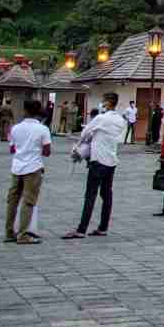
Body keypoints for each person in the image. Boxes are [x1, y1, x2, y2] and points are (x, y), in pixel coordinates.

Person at [63, 92, 127, 239]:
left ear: (107, 103)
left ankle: (81, 229)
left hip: (98, 160)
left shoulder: (100, 118)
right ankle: (103, 227)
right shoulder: (120, 120)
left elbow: (85, 133)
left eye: (103, 101)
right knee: (106, 194)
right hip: (111, 160)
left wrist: (80, 146)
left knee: (90, 195)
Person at [4, 99, 52, 244]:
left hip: (17, 167)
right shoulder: (43, 129)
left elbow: (12, 149)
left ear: (24, 110)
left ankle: (9, 232)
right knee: (29, 201)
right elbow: (47, 151)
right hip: (33, 167)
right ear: (38, 112)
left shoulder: (16, 128)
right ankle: (23, 234)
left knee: (12, 201)